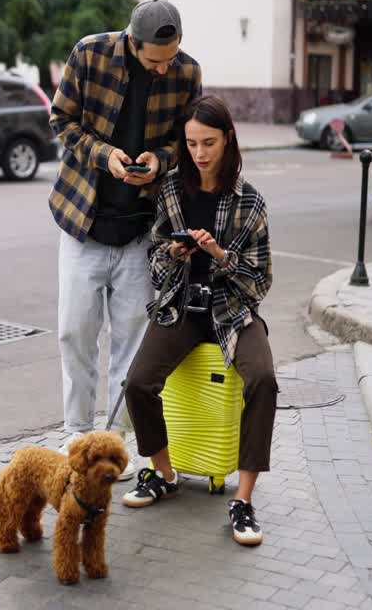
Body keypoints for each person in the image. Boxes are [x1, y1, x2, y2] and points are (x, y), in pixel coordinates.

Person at [48, 0, 203, 479]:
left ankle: (115, 442)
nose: (163, 69)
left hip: (142, 230)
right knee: (75, 332)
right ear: (132, 42)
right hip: (83, 222)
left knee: (132, 345)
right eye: (155, 60)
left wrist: (160, 159)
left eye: (170, 59)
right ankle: (78, 433)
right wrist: (105, 154)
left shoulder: (187, 72)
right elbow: (62, 121)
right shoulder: (90, 54)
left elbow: (188, 138)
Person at [119, 95, 277, 548]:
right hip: (182, 306)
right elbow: (153, 264)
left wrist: (220, 256)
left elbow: (260, 284)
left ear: (228, 139)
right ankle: (165, 473)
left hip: (233, 311)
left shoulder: (250, 203)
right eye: (191, 143)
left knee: (263, 379)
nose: (200, 153)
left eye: (208, 142)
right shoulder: (170, 191)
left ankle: (243, 500)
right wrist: (173, 252)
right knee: (138, 384)